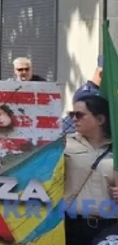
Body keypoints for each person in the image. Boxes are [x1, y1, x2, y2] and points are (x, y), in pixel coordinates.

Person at [65, 95, 118, 242]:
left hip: (110, 228)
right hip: (71, 224)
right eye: (72, 114)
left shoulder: (116, 148)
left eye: (79, 115)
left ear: (100, 119)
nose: (74, 119)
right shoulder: (64, 145)